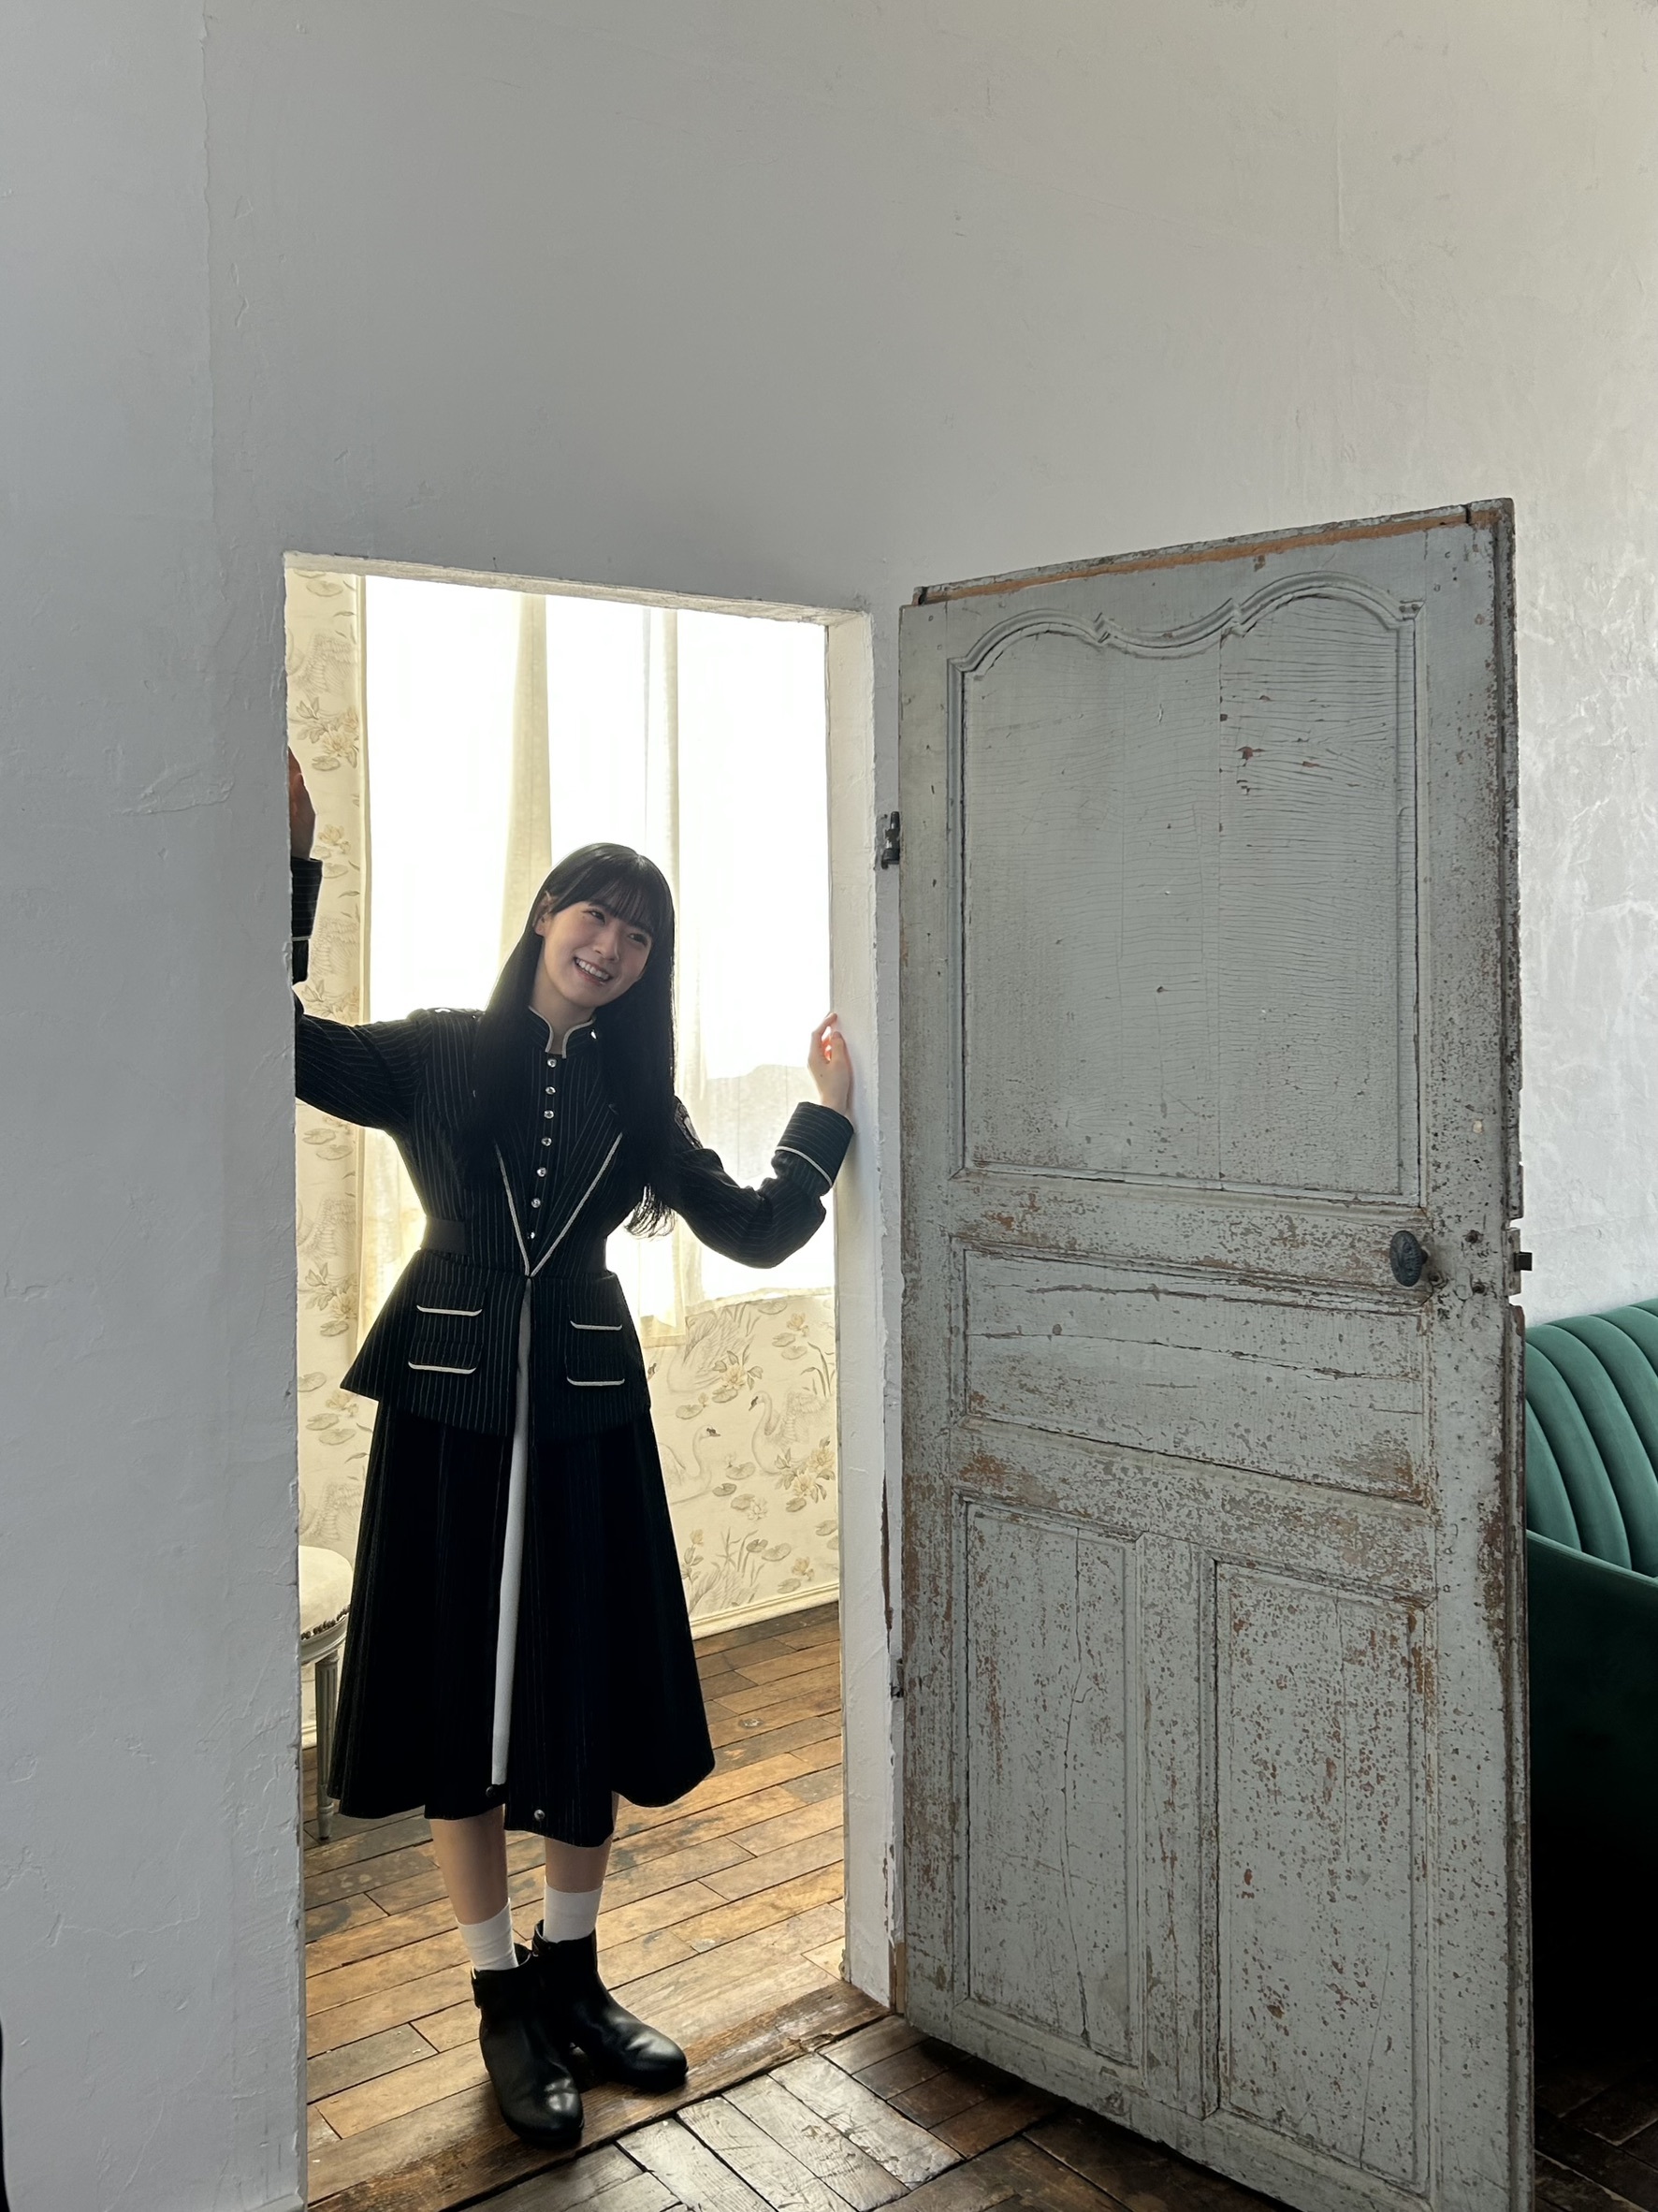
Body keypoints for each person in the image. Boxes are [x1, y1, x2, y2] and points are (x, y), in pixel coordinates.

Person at [286, 750, 853, 2147]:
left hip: (591, 1419)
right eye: (592, 912)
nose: (609, 943)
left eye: (638, 933)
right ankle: (501, 1998)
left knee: (580, 1685)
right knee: (460, 1706)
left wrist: (826, 1114)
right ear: (545, 915)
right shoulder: (434, 1051)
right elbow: (275, 1038)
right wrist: (288, 868)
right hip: (448, 1408)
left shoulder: (639, 1101)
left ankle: (577, 1975)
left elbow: (756, 1229)